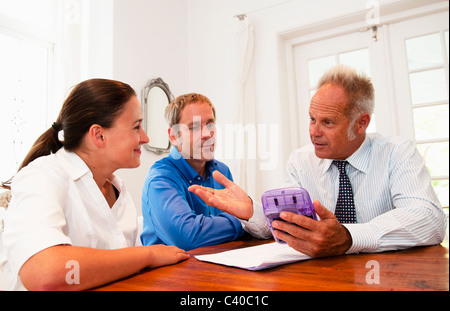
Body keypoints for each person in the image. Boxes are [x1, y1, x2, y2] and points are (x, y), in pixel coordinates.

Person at [189, 65, 446, 258]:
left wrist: (348, 237)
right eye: (312, 119)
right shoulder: (301, 161)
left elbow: (430, 220)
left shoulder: (398, 153)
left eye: (328, 122)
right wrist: (252, 211)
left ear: (361, 123)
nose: (313, 131)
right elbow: (287, 225)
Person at [0, 79, 189, 291]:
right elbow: (46, 273)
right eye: (136, 127)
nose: (145, 138)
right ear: (98, 135)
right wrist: (147, 254)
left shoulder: (119, 192)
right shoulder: (42, 176)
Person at [140, 93, 269, 251]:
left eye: (210, 124)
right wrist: (244, 220)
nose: (207, 134)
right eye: (194, 127)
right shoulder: (161, 178)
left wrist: (246, 218)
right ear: (174, 136)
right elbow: (188, 236)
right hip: (171, 273)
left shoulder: (221, 171)